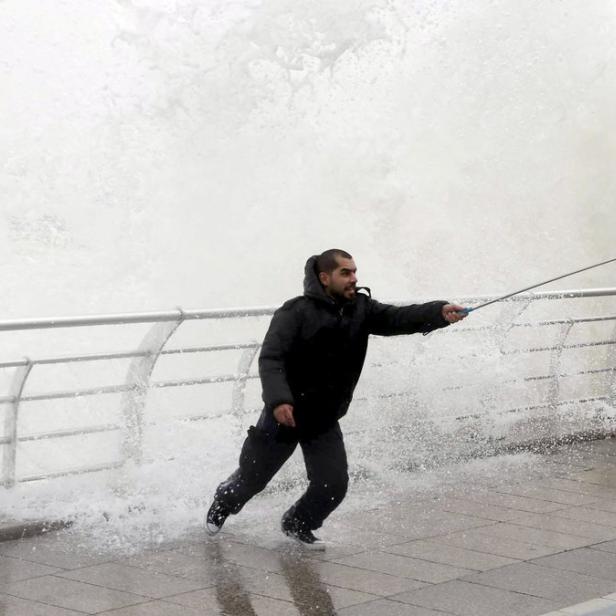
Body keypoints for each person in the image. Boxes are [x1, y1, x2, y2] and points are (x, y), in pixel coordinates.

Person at [206, 249, 467, 548]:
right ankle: (222, 503)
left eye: (355, 272)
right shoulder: (295, 312)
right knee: (251, 479)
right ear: (324, 277)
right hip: (284, 415)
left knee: (333, 486)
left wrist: (438, 312)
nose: (354, 279)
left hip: (323, 417)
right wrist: (279, 401)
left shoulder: (362, 309)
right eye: (346, 273)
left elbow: (398, 318)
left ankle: (297, 523)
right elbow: (271, 359)